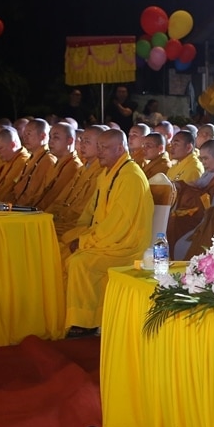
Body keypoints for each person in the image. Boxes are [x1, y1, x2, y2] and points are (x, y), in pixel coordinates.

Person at [63, 129, 153, 337]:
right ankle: (65, 313)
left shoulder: (130, 177)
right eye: (99, 147)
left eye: (104, 148)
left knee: (80, 262)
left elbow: (118, 226)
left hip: (125, 246)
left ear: (120, 149)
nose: (99, 152)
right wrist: (79, 232)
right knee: (63, 245)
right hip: (109, 237)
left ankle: (86, 323)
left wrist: (85, 240)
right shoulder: (109, 173)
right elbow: (92, 213)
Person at [36, 122, 83, 212]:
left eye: (56, 137)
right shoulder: (56, 164)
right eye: (50, 137)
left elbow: (55, 197)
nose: (51, 141)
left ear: (70, 141)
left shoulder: (74, 167)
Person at [13, 119, 58, 207]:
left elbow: (40, 193)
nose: (25, 137)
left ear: (43, 136)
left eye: (29, 134)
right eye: (24, 134)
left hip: (30, 210)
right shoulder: (31, 158)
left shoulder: (48, 160)